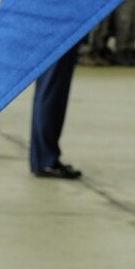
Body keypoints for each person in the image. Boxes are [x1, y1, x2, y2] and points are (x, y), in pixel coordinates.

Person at [28, 48, 82, 179]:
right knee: (53, 85)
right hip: (59, 30)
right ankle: (46, 160)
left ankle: (44, 158)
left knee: (52, 84)